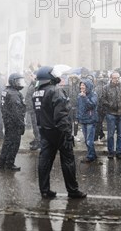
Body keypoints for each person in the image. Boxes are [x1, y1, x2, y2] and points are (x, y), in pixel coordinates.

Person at [33, 66, 86, 199]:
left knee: (45, 161)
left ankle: (44, 190)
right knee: (68, 161)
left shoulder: (37, 91)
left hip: (45, 131)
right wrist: (68, 134)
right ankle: (73, 191)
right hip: (59, 131)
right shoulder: (56, 91)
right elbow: (61, 115)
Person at [0, 73, 27, 171]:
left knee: (7, 143)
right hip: (14, 123)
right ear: (12, 81)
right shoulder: (14, 94)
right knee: (14, 144)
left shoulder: (6, 91)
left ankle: (2, 163)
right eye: (18, 81)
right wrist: (21, 124)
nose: (20, 84)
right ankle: (9, 163)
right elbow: (17, 112)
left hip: (8, 121)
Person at [98, 72, 121, 160]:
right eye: (115, 78)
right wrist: (110, 105)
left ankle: (119, 152)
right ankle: (110, 152)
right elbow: (102, 99)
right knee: (110, 134)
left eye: (118, 78)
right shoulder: (106, 88)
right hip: (111, 113)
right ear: (111, 78)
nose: (116, 79)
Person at [77, 79, 98, 163]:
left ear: (88, 86)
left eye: (84, 85)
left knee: (89, 140)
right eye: (81, 85)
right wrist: (77, 117)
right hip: (83, 120)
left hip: (90, 120)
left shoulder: (93, 94)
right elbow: (79, 107)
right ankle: (93, 154)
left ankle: (90, 156)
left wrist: (85, 97)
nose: (82, 87)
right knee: (86, 140)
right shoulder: (79, 95)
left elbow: (92, 105)